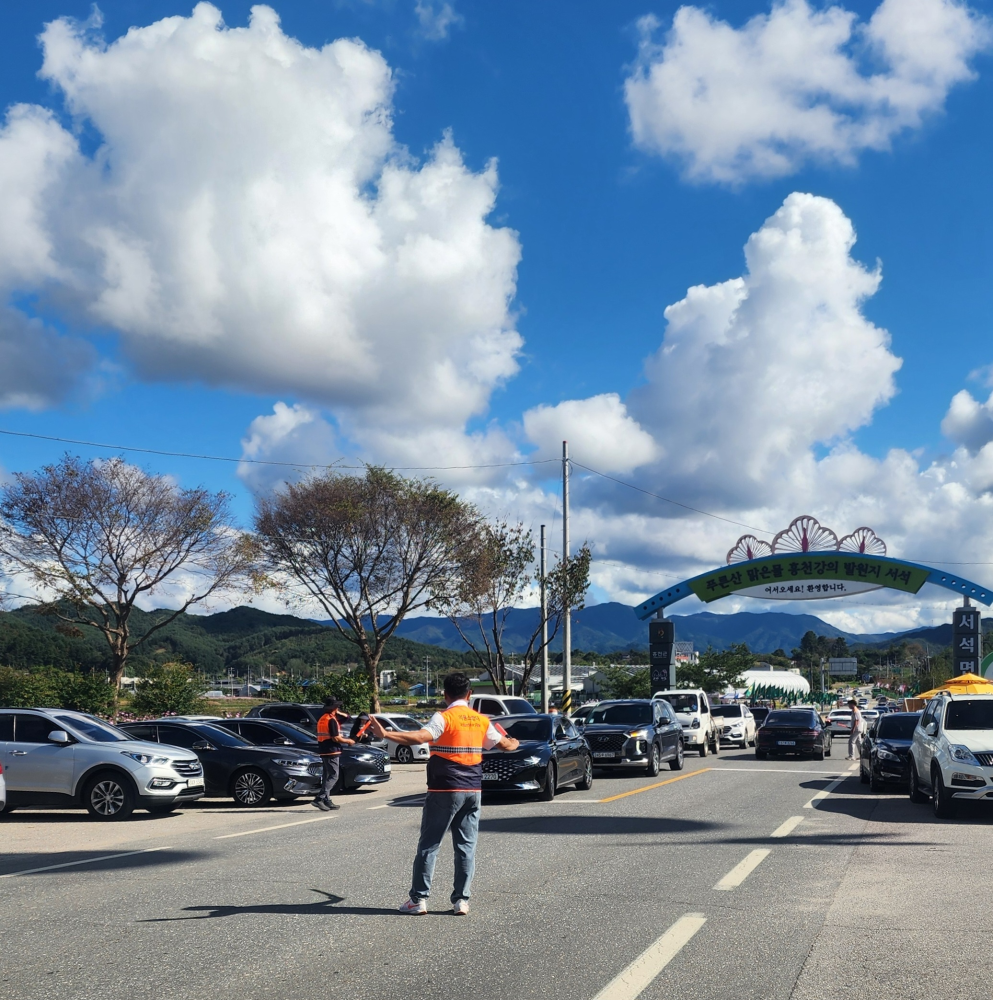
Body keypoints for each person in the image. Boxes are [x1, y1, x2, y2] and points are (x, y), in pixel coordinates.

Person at [368, 672, 519, 916]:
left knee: (429, 845)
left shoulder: (444, 717)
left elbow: (420, 737)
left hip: (444, 789)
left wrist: (385, 734)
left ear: (445, 695)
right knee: (466, 847)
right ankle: (461, 900)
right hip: (472, 790)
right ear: (469, 694)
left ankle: (418, 899)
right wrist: (515, 741)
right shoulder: (480, 720)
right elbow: (506, 745)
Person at [314, 698, 354, 811]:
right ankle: (319, 798)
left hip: (324, 749)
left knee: (327, 775)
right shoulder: (331, 720)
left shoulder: (323, 718)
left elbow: (347, 717)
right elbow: (336, 738)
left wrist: (335, 711)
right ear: (334, 708)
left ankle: (327, 800)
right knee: (334, 776)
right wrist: (348, 741)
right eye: (337, 707)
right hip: (332, 750)